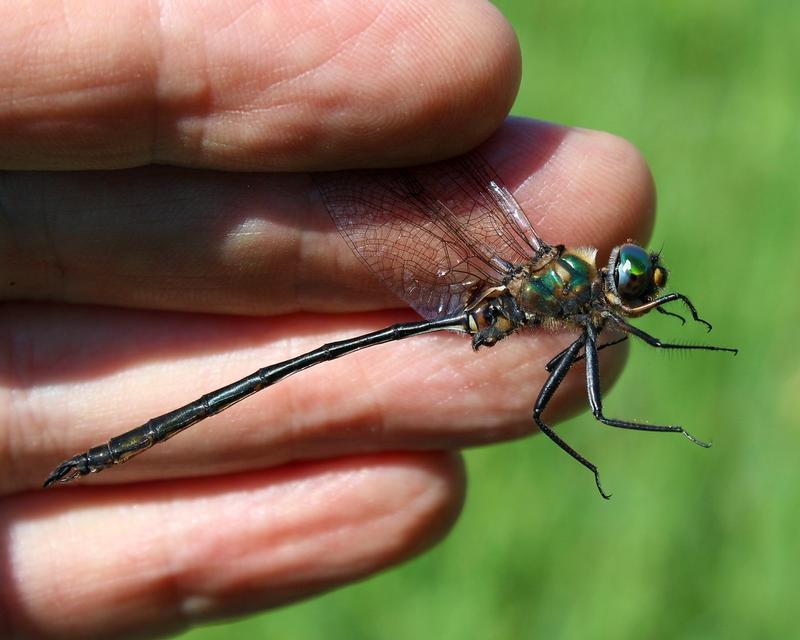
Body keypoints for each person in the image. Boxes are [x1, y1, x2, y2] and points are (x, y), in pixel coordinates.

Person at [0, 1, 655, 637]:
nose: (634, 281)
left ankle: (96, 457)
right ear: (608, 278)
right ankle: (104, 454)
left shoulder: (569, 284)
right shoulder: (567, 285)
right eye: (631, 276)